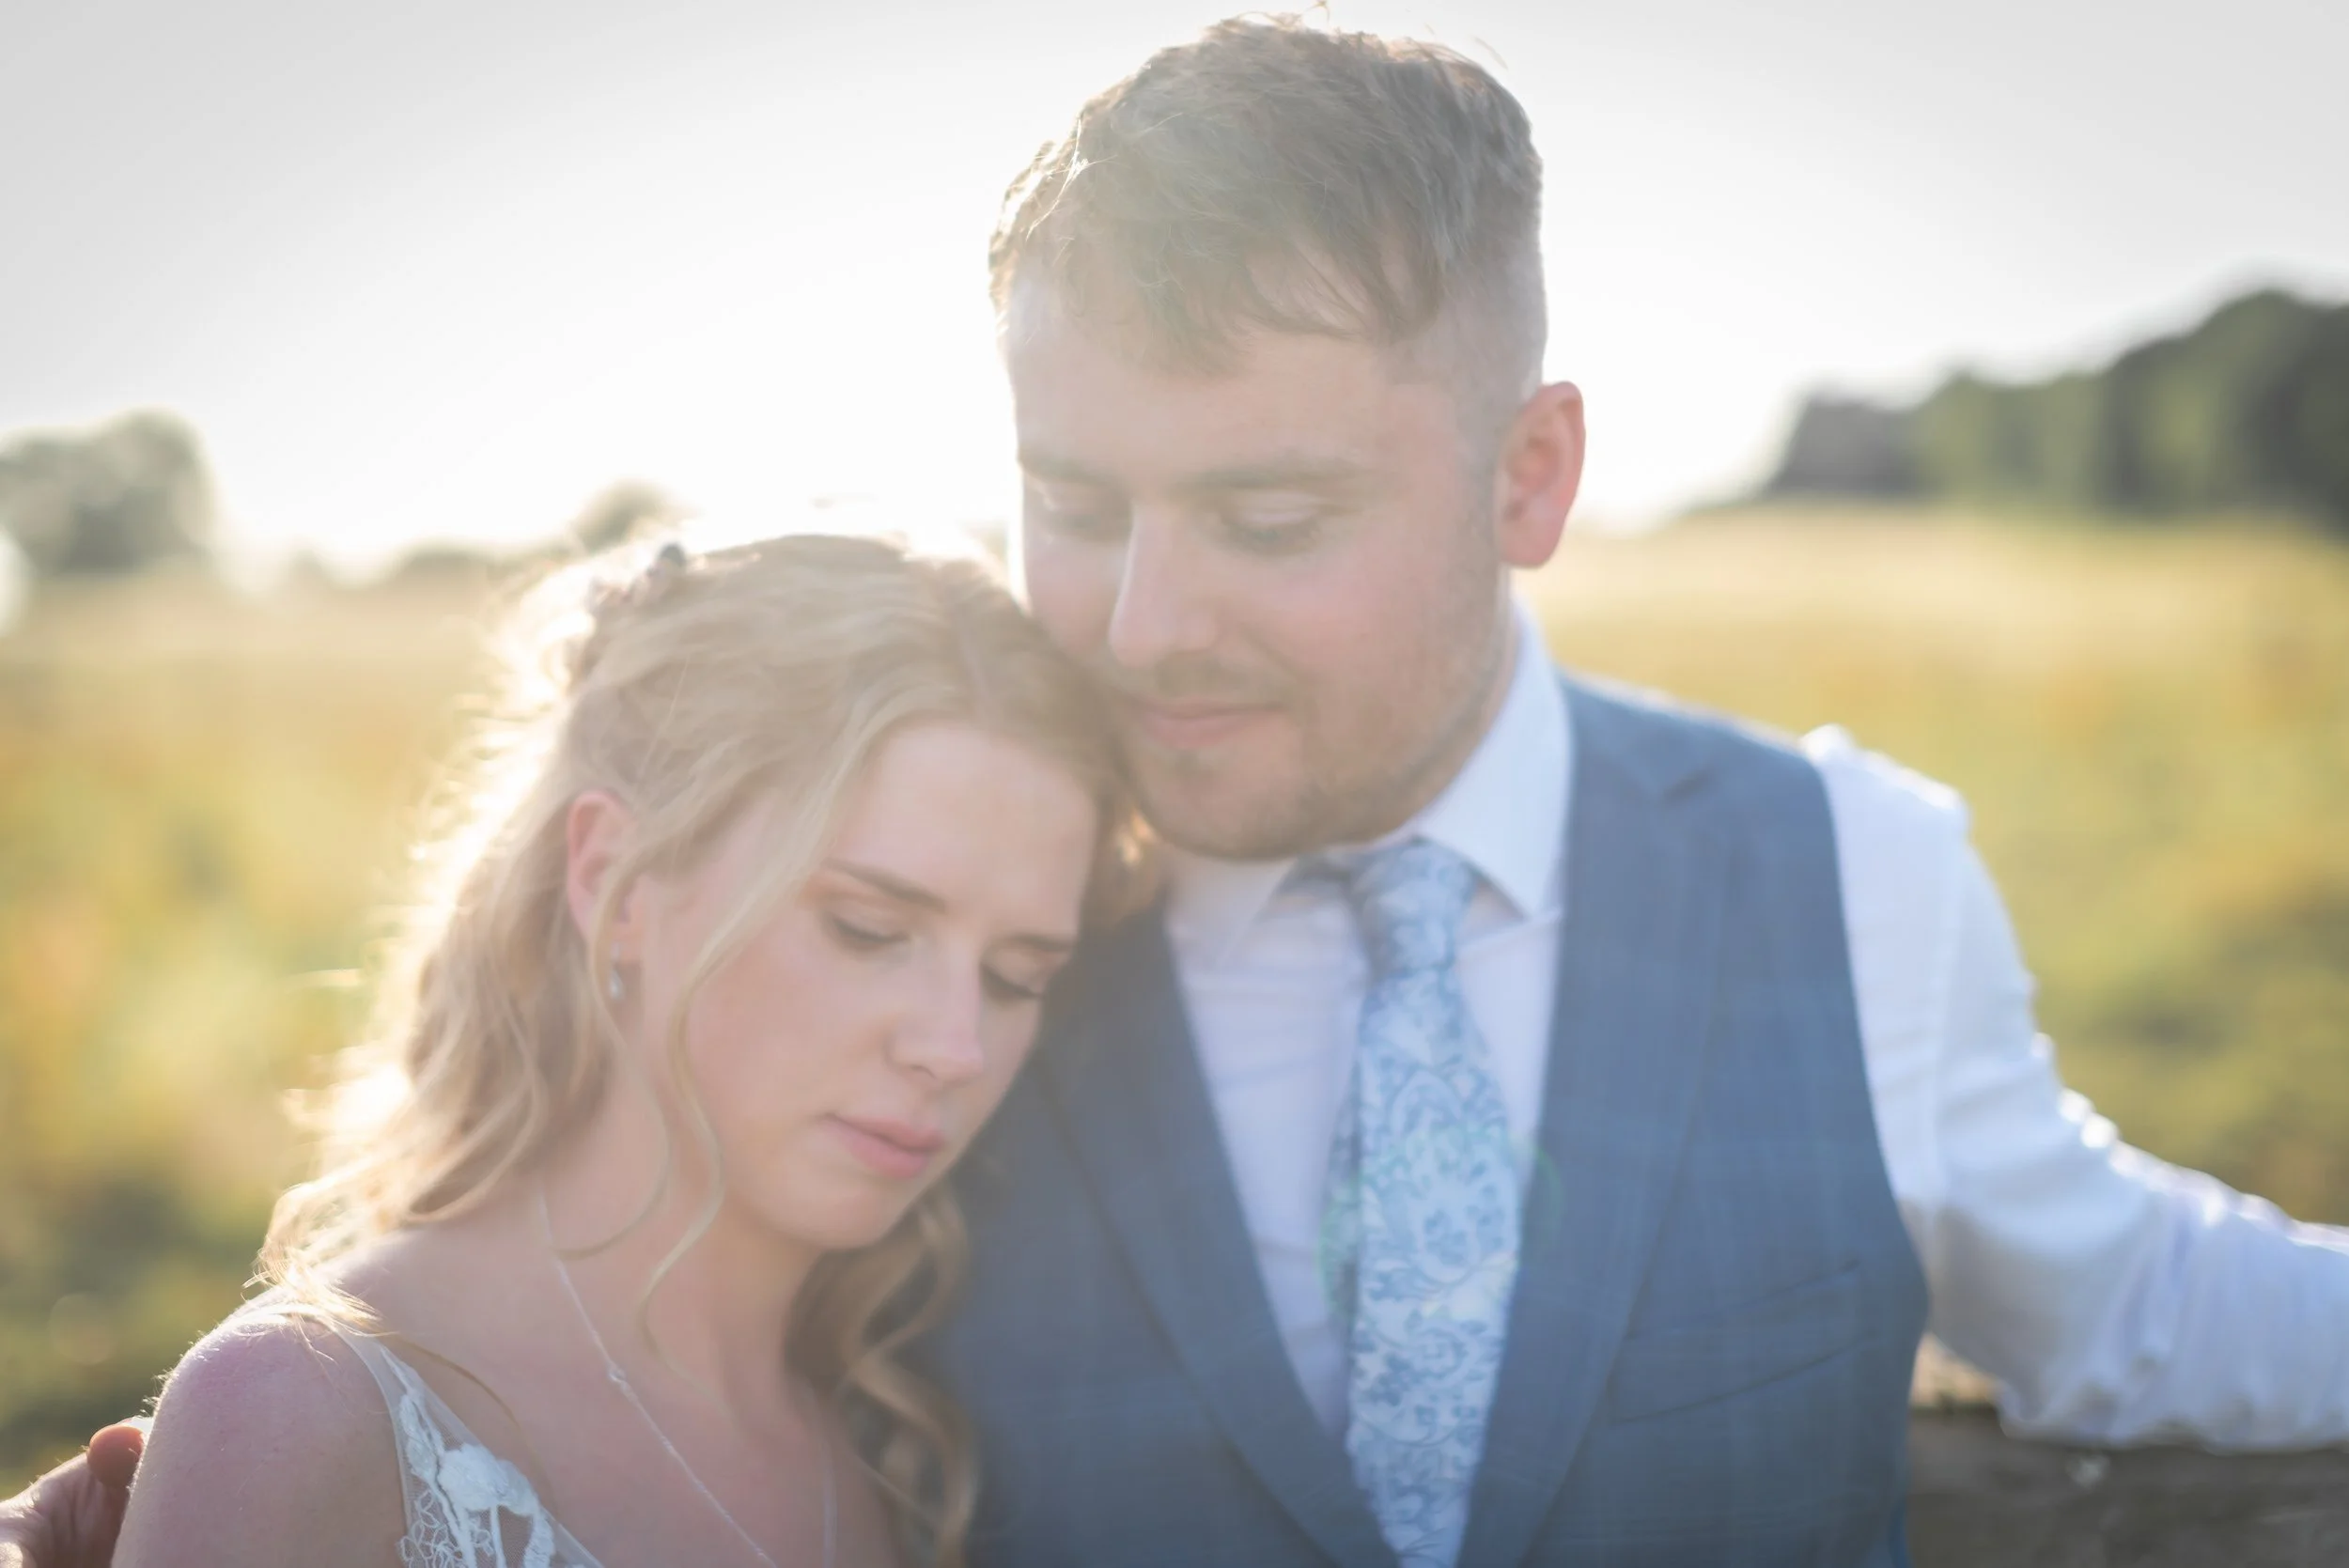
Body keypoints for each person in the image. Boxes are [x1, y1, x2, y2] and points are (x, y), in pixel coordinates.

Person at [12, 14, 2349, 1568]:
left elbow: (2142, 1301)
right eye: (1076, 497)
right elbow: (596, 1297)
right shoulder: (1011, 921)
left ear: (1527, 476)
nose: (1137, 626)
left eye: (1268, 516)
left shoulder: (1849, 876)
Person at [4, 534, 1139, 1568]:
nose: (954, 1045)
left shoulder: (921, 1445)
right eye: (867, 928)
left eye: (1017, 976)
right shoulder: (302, 1415)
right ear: (615, 881)